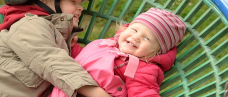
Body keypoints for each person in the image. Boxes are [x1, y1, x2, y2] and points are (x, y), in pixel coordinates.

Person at [0, 0, 111, 97]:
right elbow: (51, 60)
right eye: (72, 1)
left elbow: (88, 61)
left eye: (80, 3)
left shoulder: (63, 39)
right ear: (42, 1)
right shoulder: (29, 24)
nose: (80, 7)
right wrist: (96, 93)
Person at [50, 7, 187, 97]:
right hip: (63, 87)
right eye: (134, 30)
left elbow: (143, 91)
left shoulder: (142, 68)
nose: (136, 37)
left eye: (147, 38)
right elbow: (83, 59)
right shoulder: (106, 44)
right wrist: (73, 48)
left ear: (157, 51)